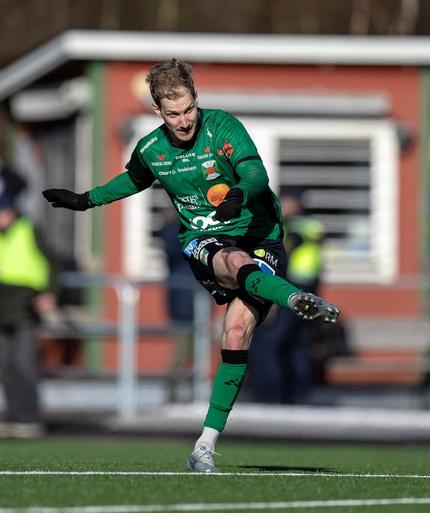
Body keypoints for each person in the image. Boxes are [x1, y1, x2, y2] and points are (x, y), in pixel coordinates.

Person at [42, 59, 340, 472]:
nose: (183, 121)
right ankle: (296, 300)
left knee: (235, 332)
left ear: (196, 99)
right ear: (157, 111)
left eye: (188, 109)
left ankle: (203, 446)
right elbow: (134, 179)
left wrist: (239, 193)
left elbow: (255, 171)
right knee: (232, 260)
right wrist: (85, 200)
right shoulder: (151, 149)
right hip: (204, 238)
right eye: (173, 114)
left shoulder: (222, 127)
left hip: (261, 234)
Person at [248, 195, 327, 404]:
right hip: (308, 290)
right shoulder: (311, 226)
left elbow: (281, 259)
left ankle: (272, 393)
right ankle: (298, 392)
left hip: (291, 290)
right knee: (297, 343)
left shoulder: (291, 228)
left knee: (272, 342)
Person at [0, 190, 59, 438]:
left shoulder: (30, 230)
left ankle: (30, 418)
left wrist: (50, 293)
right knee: (5, 365)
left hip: (25, 304)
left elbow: (53, 262)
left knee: (24, 363)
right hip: (2, 305)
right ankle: (14, 417)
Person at [157, 208, 199, 401]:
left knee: (192, 349)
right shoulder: (176, 231)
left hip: (188, 299)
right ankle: (174, 393)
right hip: (184, 300)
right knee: (183, 349)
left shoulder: (175, 230)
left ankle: (188, 391)